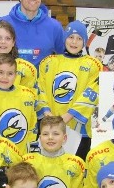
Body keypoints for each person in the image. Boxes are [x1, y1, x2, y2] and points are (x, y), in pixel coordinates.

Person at [36, 20, 102, 159]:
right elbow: (40, 89)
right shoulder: (48, 62)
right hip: (50, 128)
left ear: (84, 42)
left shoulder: (93, 64)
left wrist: (67, 117)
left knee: (75, 170)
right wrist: (48, 114)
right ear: (65, 38)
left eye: (79, 38)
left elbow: (92, 92)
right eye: (71, 37)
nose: (74, 42)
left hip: (79, 130)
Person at [22, 115, 84, 188]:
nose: (50, 137)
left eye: (55, 134)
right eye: (45, 134)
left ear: (64, 138)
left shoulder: (75, 164)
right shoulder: (27, 161)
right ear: (40, 137)